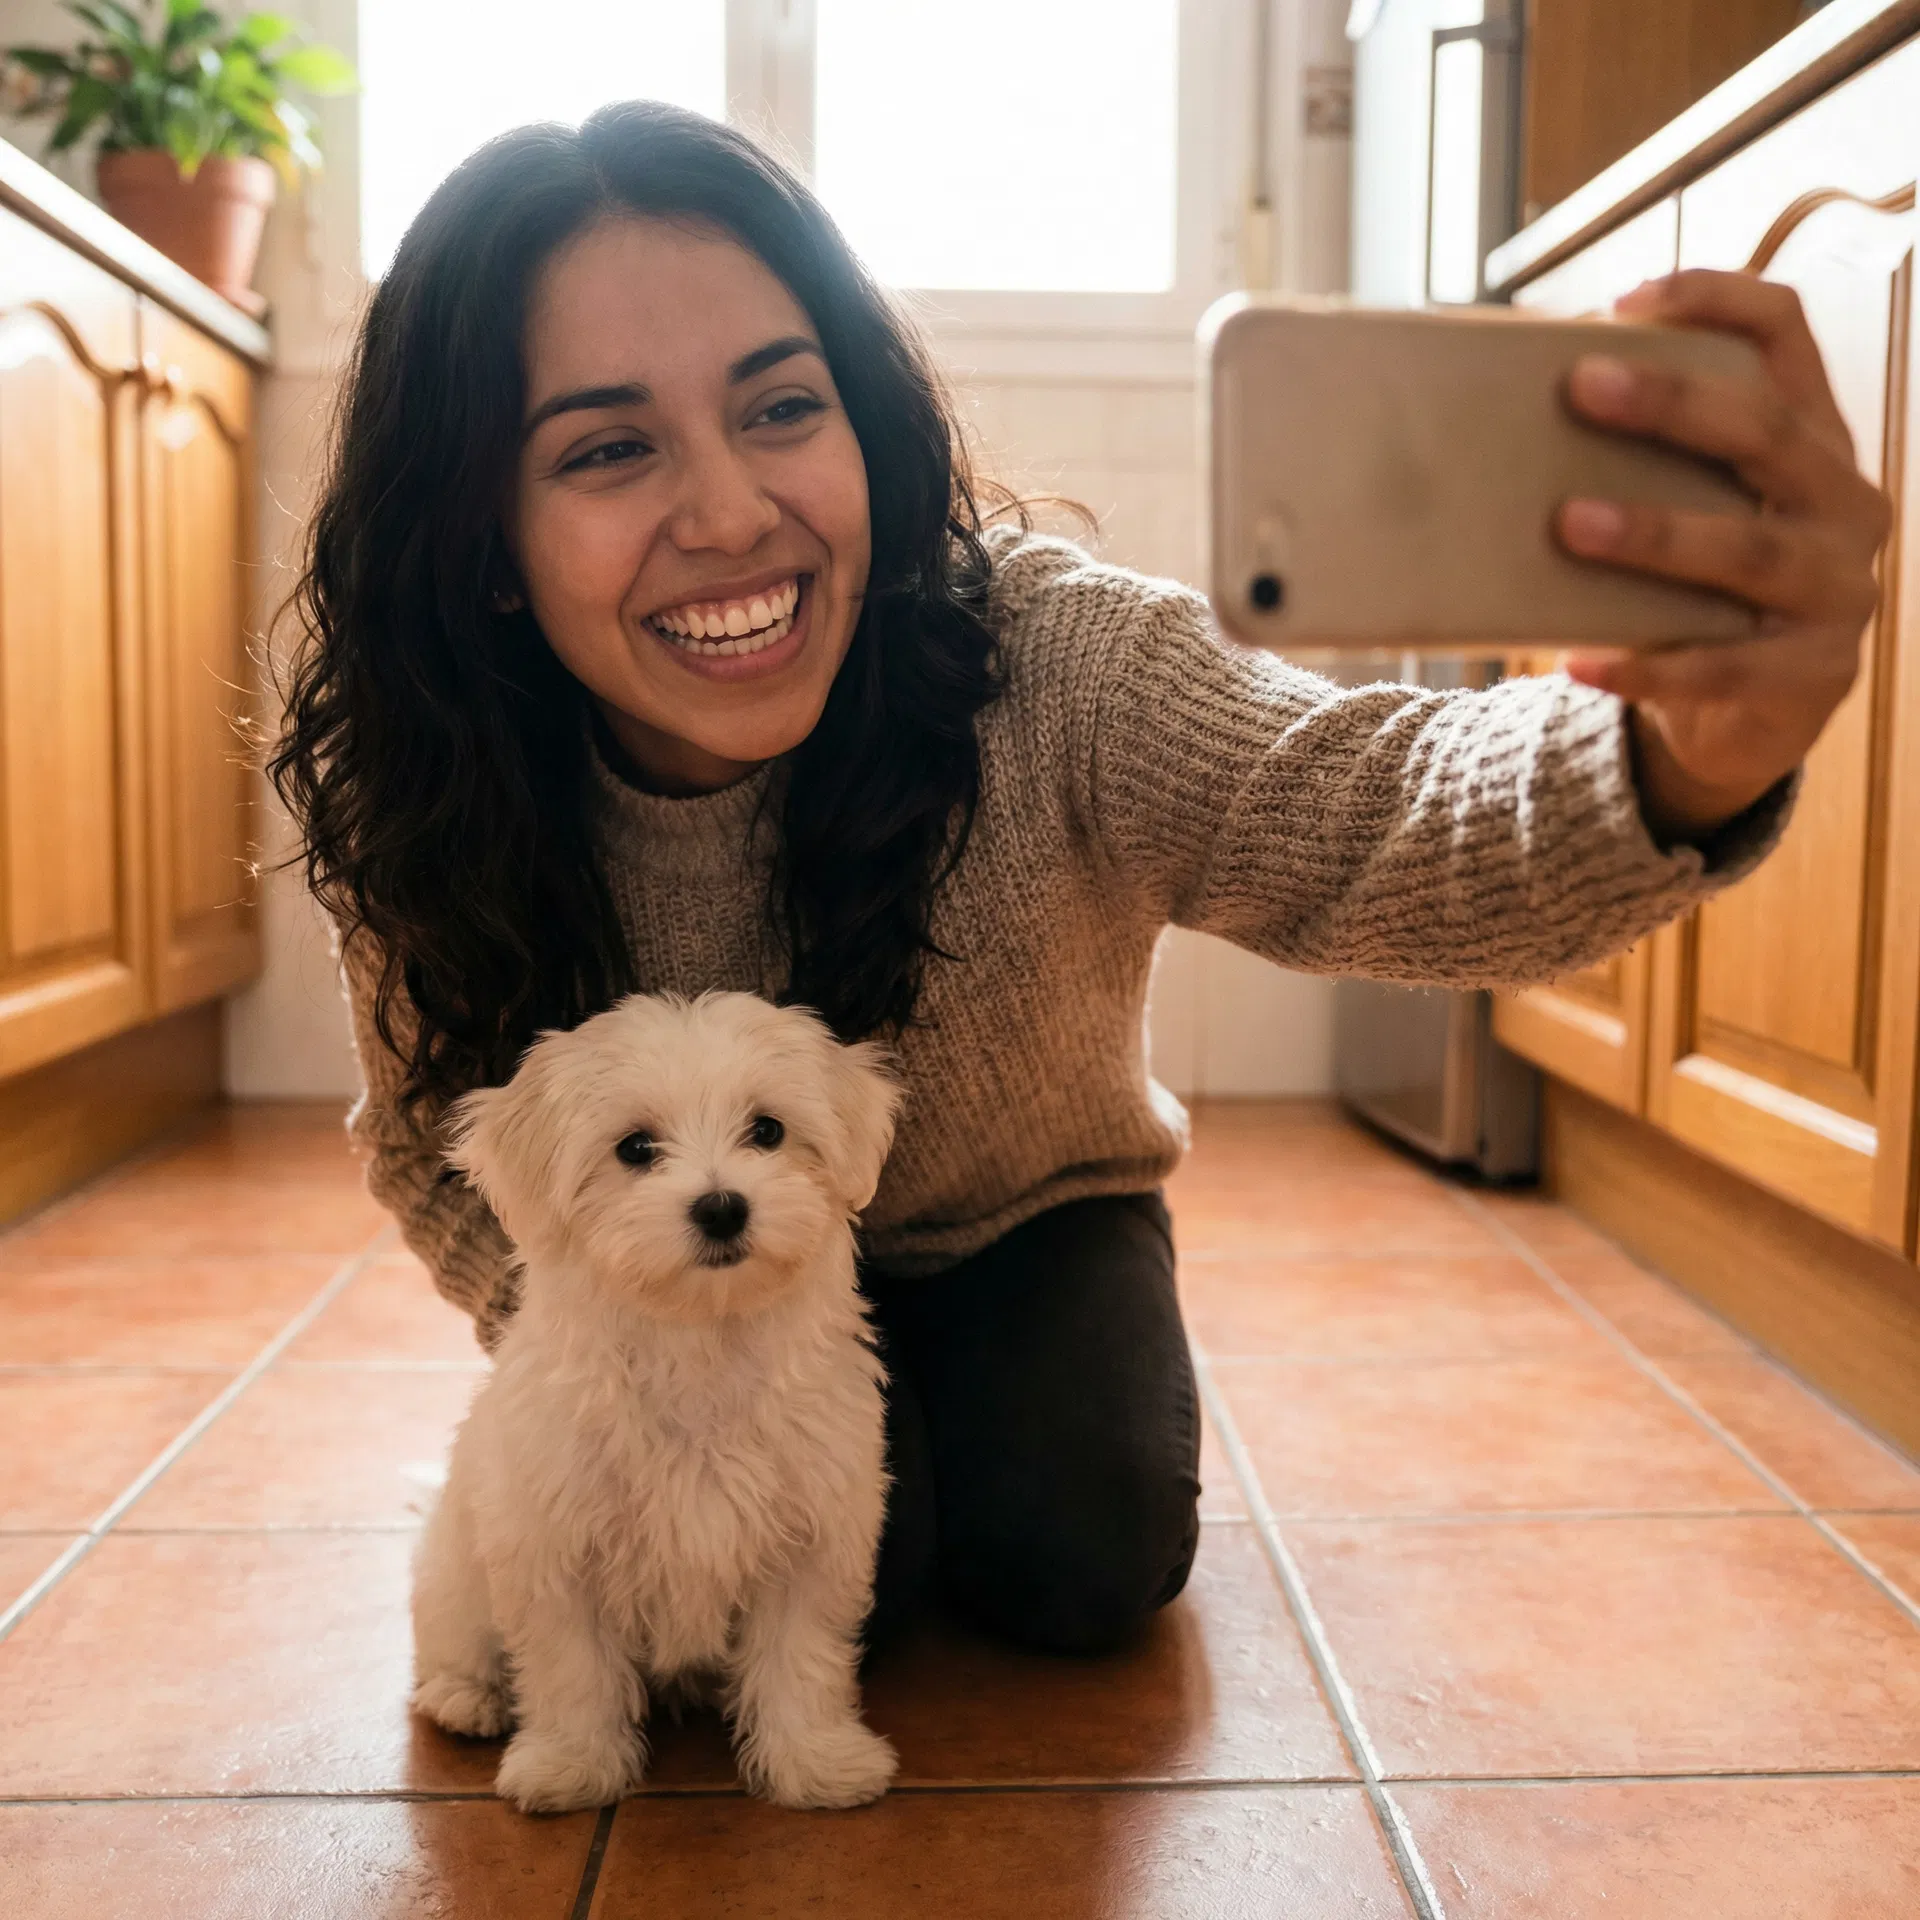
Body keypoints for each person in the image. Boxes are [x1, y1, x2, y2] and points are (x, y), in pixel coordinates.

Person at [273, 102, 1886, 1658]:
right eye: (610, 449)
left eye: (781, 407)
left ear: (864, 419)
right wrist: (600, 1369)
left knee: (1078, 1553)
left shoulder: (1055, 664)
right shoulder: (430, 786)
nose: (732, 512)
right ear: (483, 541)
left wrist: (1671, 760)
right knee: (842, 1590)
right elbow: (430, 1144)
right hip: (670, 1272)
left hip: (1024, 1222)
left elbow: (1369, 812)